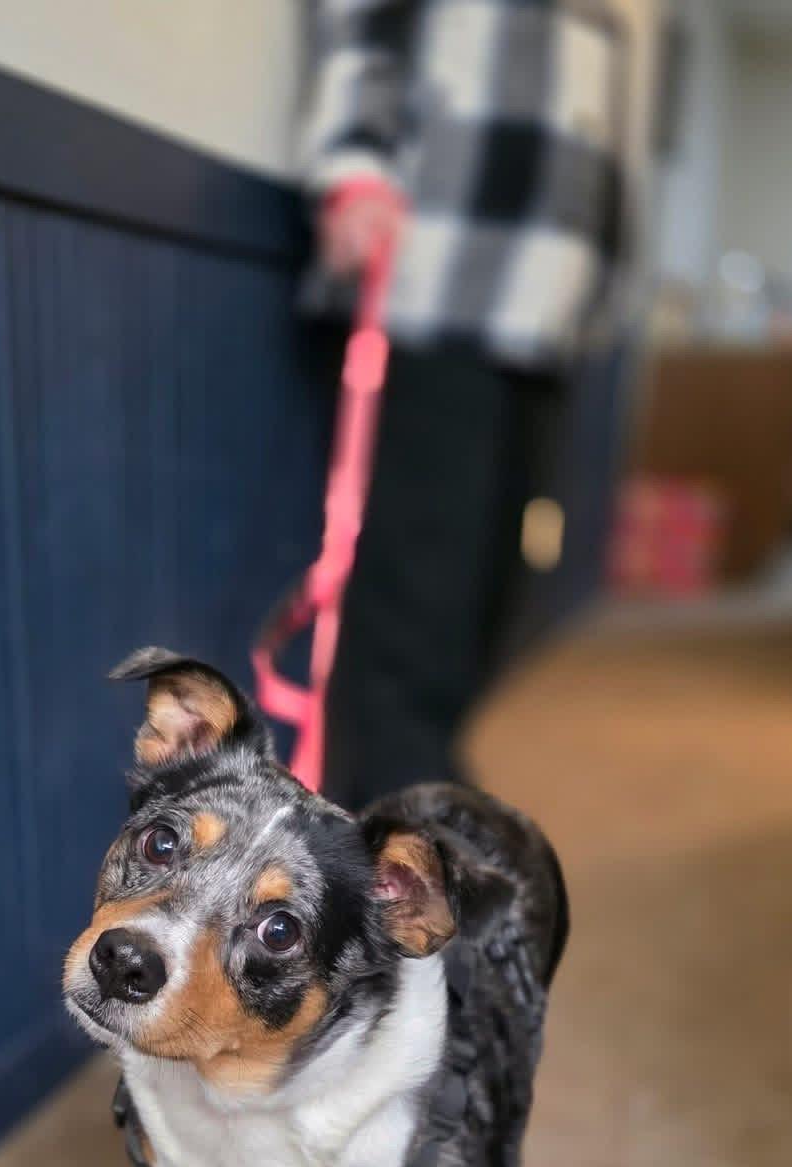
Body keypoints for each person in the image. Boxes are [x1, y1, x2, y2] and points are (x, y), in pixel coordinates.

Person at [299, 0, 640, 809]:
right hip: (436, 290)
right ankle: (398, 823)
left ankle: (419, 788)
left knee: (490, 592)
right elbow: (367, 35)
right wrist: (355, 167)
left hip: (542, 315)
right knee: (417, 602)